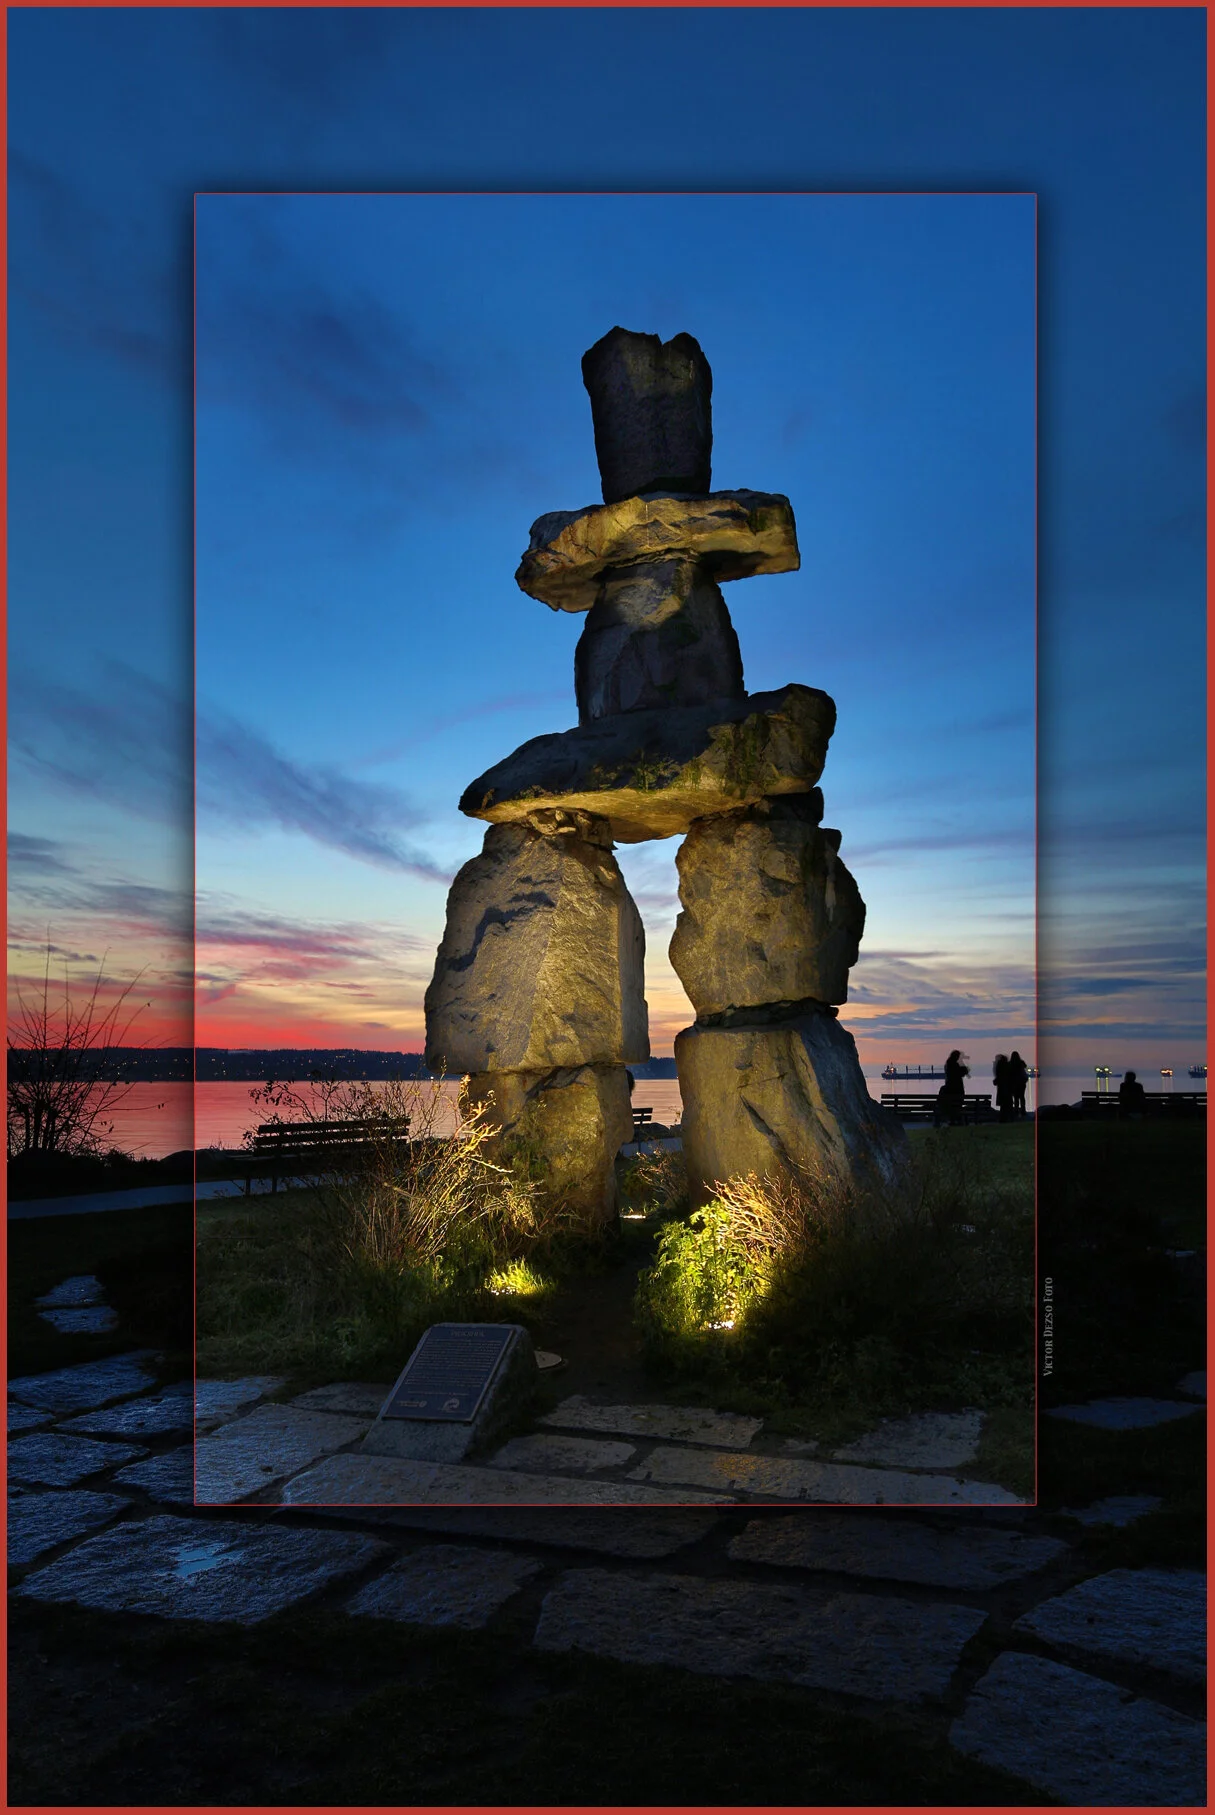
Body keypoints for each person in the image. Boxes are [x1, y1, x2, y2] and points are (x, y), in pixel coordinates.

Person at [934, 1049, 969, 1127]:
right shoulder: (955, 1065)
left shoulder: (948, 1065)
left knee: (951, 1104)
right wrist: (964, 1069)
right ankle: (956, 1120)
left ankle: (952, 1120)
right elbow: (961, 1073)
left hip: (950, 1091)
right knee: (956, 1104)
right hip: (957, 1091)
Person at [1008, 1051, 1029, 1118]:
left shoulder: (1010, 1064)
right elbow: (1025, 1066)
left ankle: (1016, 1111)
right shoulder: (1021, 1062)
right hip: (1022, 1083)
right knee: (1022, 1097)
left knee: (1016, 1098)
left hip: (1014, 1083)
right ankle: (1023, 1111)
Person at [993, 1053, 1012, 1122]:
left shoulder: (999, 1068)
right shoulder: (1007, 1067)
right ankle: (1006, 1118)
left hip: (1001, 1088)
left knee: (1003, 1105)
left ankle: (1003, 1118)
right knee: (1007, 1104)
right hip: (1007, 1089)